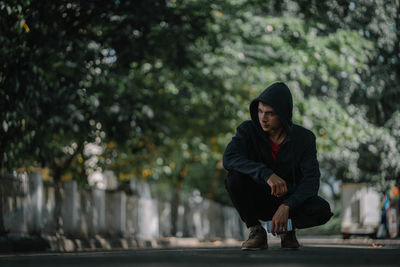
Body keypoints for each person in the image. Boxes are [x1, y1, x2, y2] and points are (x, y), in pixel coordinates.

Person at [223, 82, 333, 250]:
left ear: (282, 114)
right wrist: (265, 174)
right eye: (260, 111)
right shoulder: (248, 130)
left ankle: (287, 230)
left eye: (270, 113)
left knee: (322, 209)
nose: (263, 118)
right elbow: (229, 158)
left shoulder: (304, 138)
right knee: (233, 178)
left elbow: (311, 181)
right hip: (259, 197)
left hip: (289, 201)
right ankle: (256, 231)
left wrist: (288, 205)